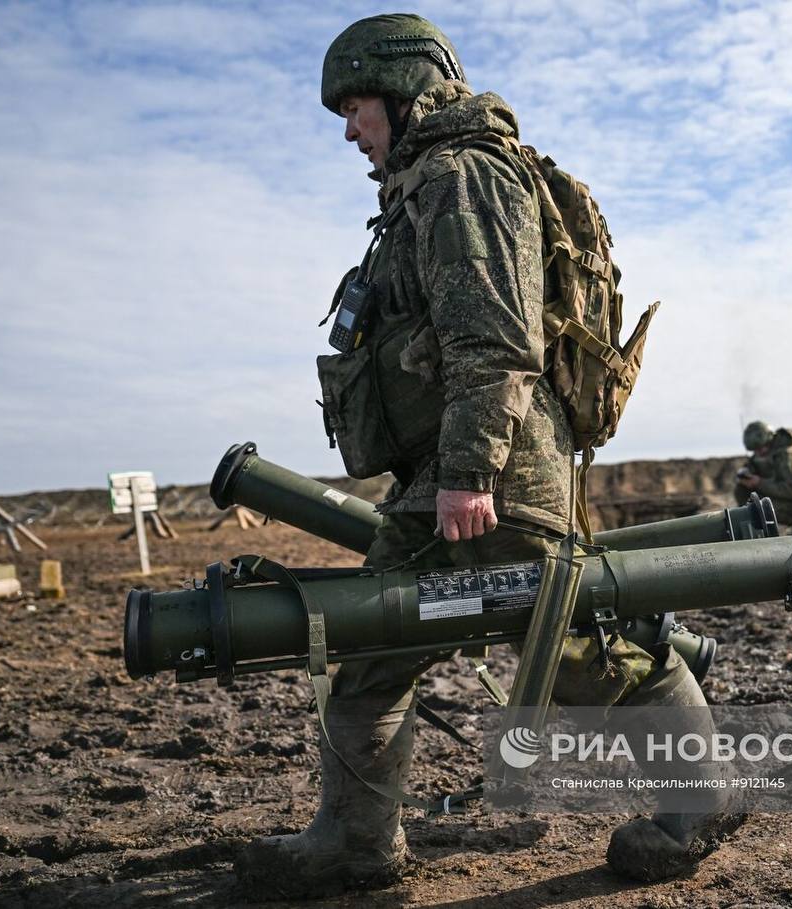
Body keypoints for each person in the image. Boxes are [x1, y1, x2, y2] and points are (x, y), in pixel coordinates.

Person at [234, 14, 739, 899]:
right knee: (372, 643)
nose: (350, 130)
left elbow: (496, 340)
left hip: (496, 473)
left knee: (584, 645)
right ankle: (355, 841)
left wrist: (470, 472)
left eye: (356, 108)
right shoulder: (425, 184)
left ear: (404, 91)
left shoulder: (465, 176)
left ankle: (702, 801)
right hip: (446, 471)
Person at [734, 420, 792, 533]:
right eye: (755, 450)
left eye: (760, 448)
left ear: (769, 440)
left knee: (758, 509)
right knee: (742, 491)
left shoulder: (789, 455)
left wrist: (758, 482)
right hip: (789, 503)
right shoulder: (765, 454)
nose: (758, 453)